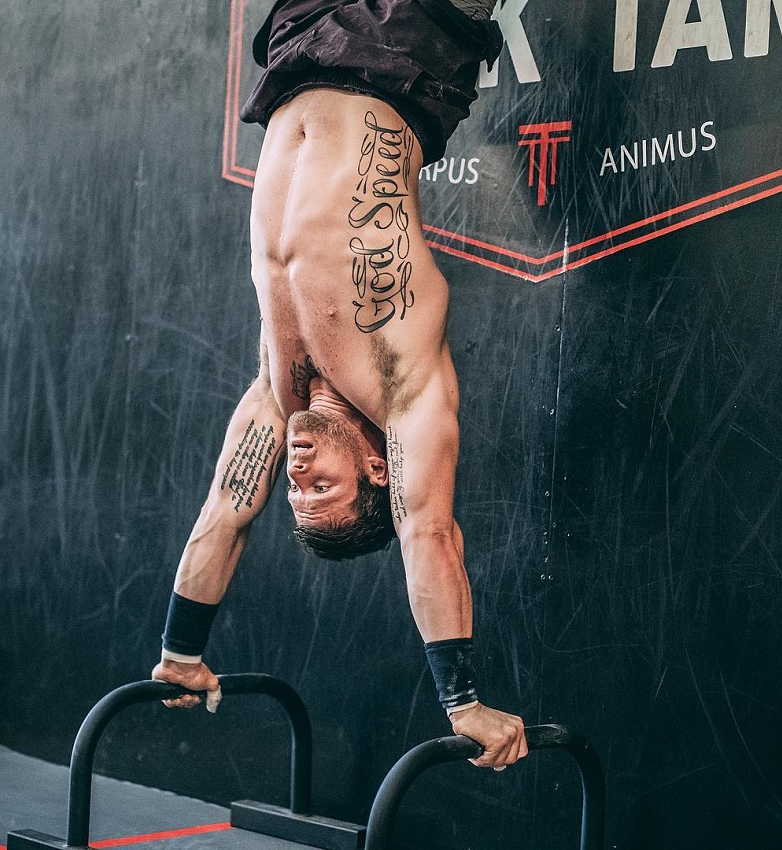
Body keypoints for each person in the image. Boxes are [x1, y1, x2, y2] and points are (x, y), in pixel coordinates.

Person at [151, 0, 528, 771]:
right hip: (408, 43)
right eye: (322, 489)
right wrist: (465, 703)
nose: (295, 477)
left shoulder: (276, 390)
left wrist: (182, 650)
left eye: (296, 496)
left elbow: (225, 515)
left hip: (304, 41)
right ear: (378, 471)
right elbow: (428, 533)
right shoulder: (407, 386)